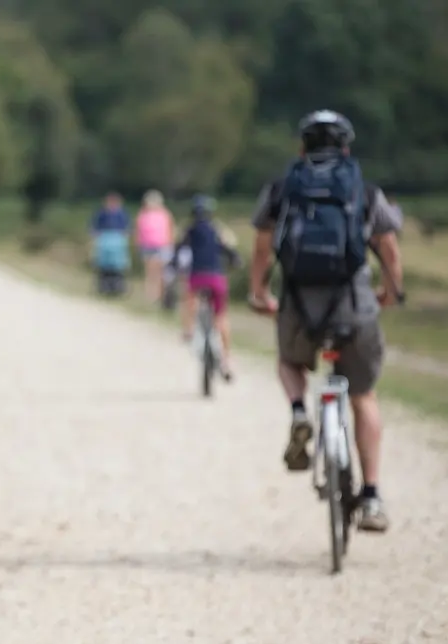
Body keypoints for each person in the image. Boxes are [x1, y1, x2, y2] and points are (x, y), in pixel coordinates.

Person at [247, 110, 404, 532]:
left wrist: (260, 292)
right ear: (346, 148)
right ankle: (371, 497)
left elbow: (263, 249)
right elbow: (388, 249)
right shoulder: (364, 191)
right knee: (363, 395)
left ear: (302, 148)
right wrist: (391, 292)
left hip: (299, 301)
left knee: (289, 360)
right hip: (353, 303)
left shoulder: (282, 190)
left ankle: (299, 411)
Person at [173, 195, 240, 379]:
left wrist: (172, 266)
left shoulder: (189, 230)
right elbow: (230, 251)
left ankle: (188, 330)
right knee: (221, 317)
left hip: (197, 277)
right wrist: (235, 261)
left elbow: (177, 251)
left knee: (189, 299)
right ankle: (226, 360)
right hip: (216, 278)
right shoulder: (218, 229)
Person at [135, 189, 176, 302]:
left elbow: (170, 229)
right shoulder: (144, 214)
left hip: (162, 245)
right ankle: (152, 296)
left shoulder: (163, 214)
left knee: (160, 273)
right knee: (151, 273)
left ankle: (160, 295)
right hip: (150, 246)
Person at [90, 192, 131, 295]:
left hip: (117, 242)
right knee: (104, 266)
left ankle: (117, 288)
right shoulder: (102, 213)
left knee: (117, 267)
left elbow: (127, 229)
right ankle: (104, 287)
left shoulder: (122, 214)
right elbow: (94, 227)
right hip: (105, 241)